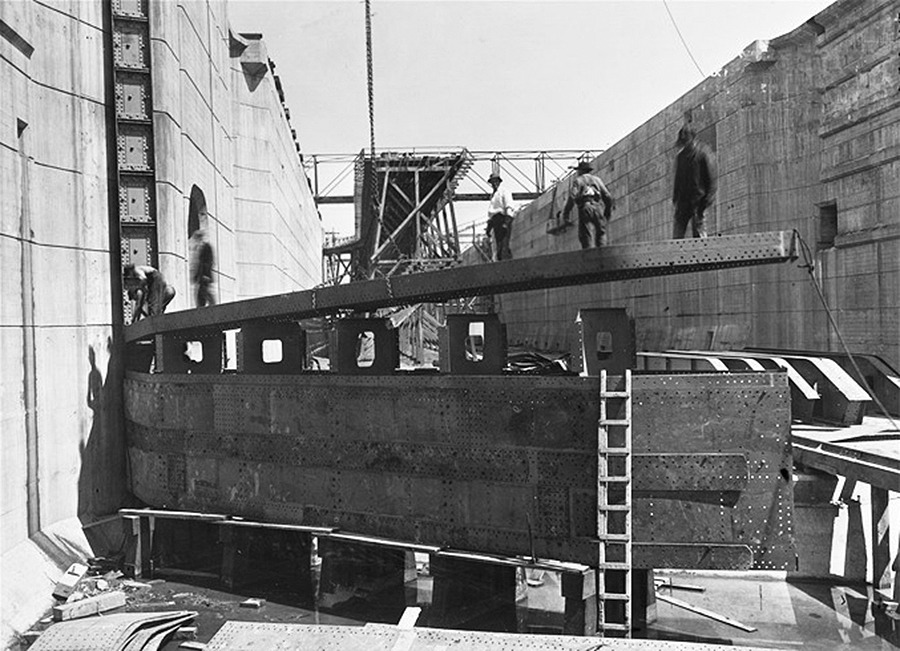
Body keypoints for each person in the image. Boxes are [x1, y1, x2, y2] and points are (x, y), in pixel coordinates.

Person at [672, 124, 716, 239]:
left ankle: (705, 255)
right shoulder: (681, 157)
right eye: (683, 141)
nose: (685, 144)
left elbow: (711, 179)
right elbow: (678, 179)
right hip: (683, 203)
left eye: (686, 140)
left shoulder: (702, 153)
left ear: (693, 138)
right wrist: (675, 198)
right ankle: (676, 256)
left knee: (700, 237)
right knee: (677, 237)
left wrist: (706, 200)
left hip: (698, 201)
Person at [562, 160, 614, 249]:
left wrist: (566, 213)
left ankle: (589, 256)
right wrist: (607, 209)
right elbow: (607, 196)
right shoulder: (597, 180)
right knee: (601, 231)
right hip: (598, 207)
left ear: (581, 171)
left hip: (585, 207)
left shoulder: (578, 180)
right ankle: (602, 253)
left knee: (586, 233)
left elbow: (572, 196)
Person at [485, 172, 515, 260]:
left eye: (495, 181)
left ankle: (505, 263)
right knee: (497, 245)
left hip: (502, 219)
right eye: (492, 182)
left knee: (504, 243)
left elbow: (508, 205)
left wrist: (507, 221)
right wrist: (489, 227)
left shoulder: (504, 192)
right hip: (495, 221)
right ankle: (499, 261)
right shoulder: (493, 195)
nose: (494, 184)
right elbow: (492, 212)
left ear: (499, 182)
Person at [189, 227, 215, 307]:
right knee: (202, 296)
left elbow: (209, 262)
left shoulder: (206, 247)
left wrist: (206, 275)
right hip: (201, 277)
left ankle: (214, 309)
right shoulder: (198, 248)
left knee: (205, 294)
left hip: (204, 277)